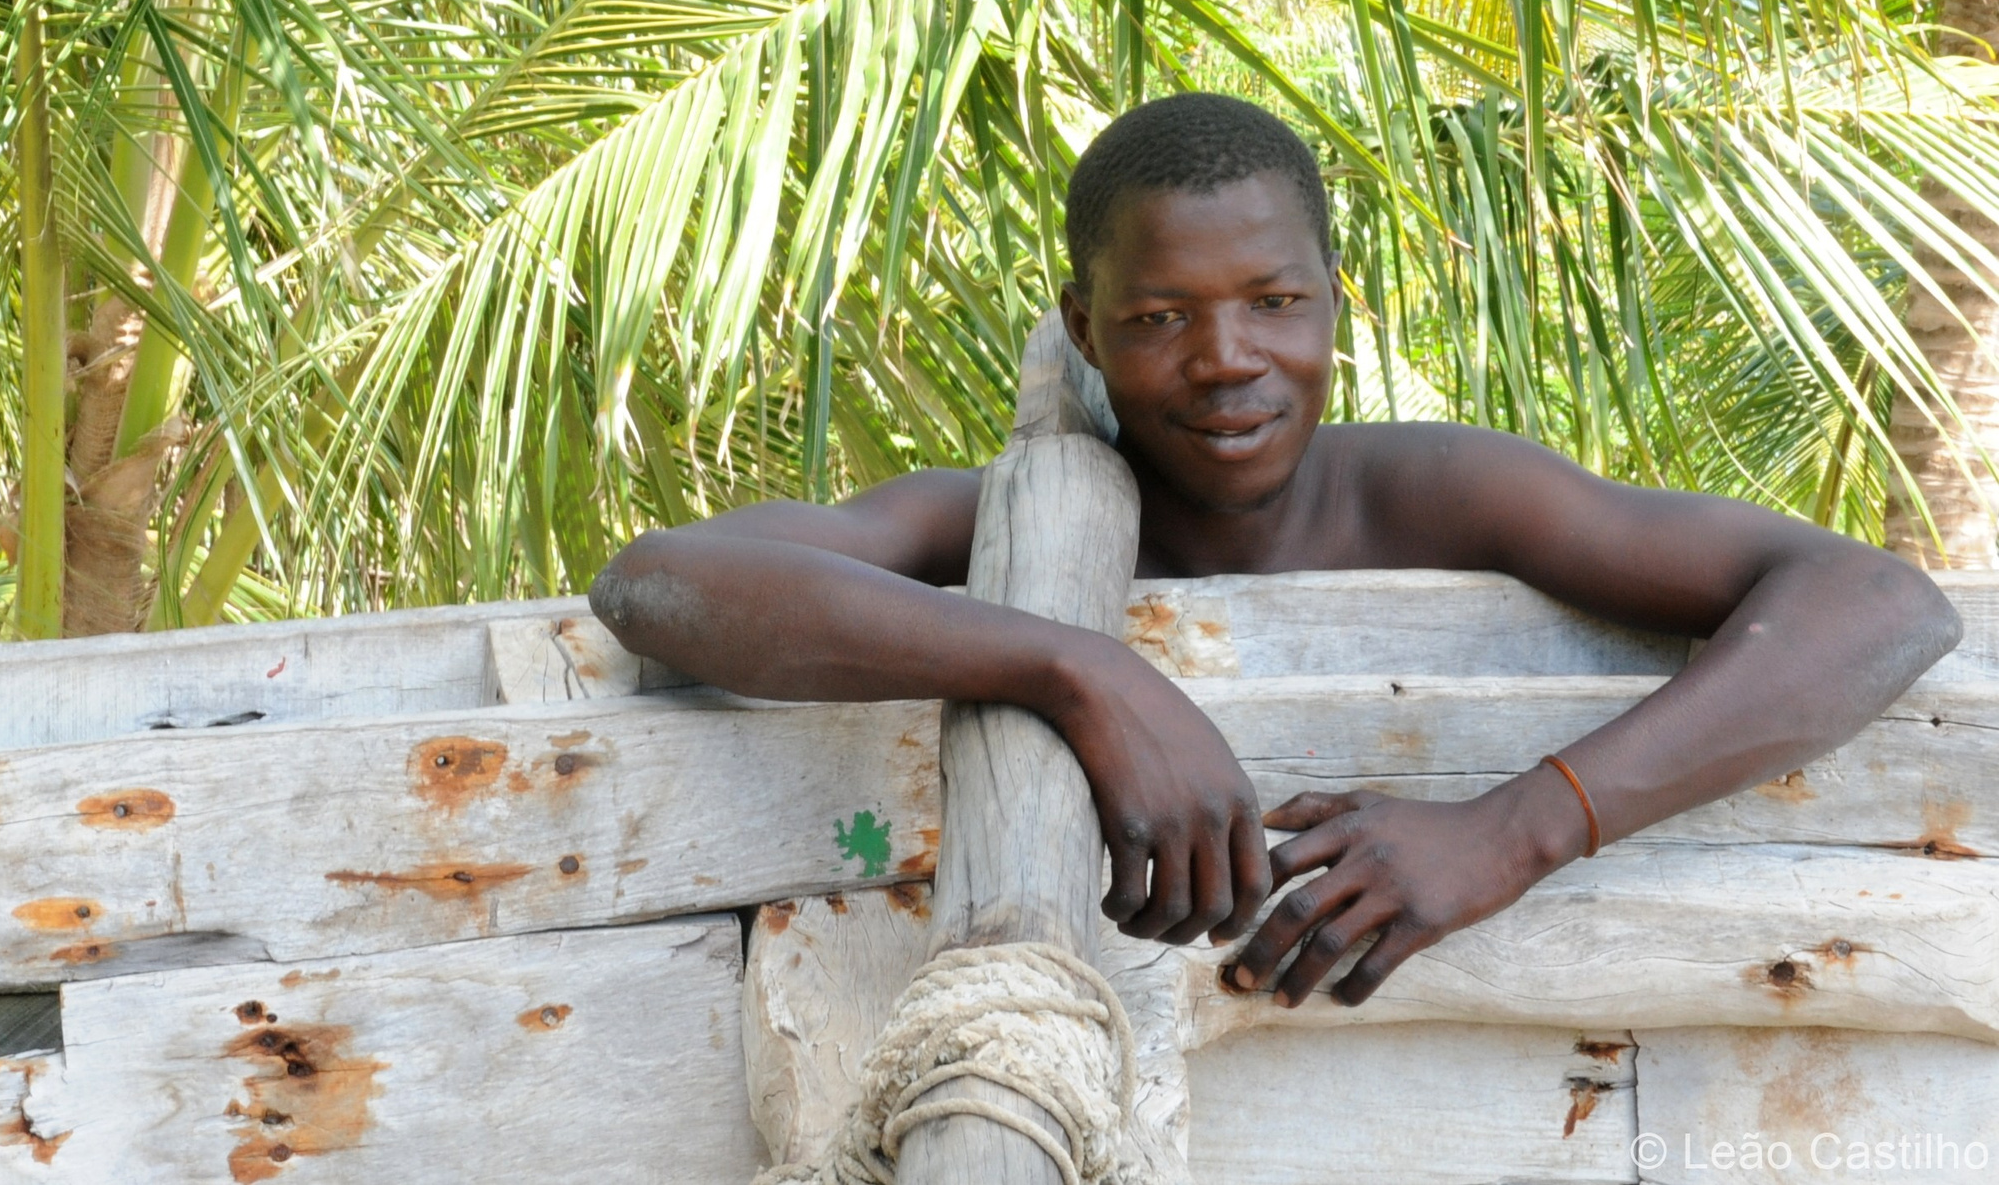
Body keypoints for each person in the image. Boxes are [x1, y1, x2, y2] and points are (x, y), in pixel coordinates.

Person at [587, 93, 1961, 1010]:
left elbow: (1881, 603)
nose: (1226, 358)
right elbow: (656, 581)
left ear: (1335, 306)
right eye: (1161, 315)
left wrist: (1514, 829)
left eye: (1275, 300)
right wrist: (1080, 670)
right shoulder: (1004, 514)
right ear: (1082, 324)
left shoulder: (1437, 489)